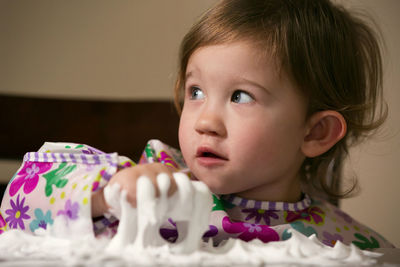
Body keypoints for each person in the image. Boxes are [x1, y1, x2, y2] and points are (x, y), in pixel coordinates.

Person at [0, 0, 395, 250]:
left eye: (241, 96)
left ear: (314, 133)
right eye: (195, 91)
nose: (205, 121)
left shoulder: (345, 243)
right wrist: (106, 194)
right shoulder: (154, 186)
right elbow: (18, 206)